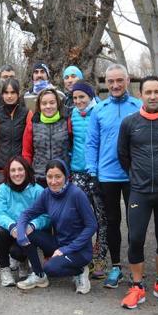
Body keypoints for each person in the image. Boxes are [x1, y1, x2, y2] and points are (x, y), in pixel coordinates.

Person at [117, 76, 158, 309]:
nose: (153, 96)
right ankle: (137, 286)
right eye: (148, 92)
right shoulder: (129, 123)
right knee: (135, 238)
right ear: (141, 95)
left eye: (157, 92)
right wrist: (139, 175)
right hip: (139, 191)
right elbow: (123, 155)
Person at [85, 63, 142, 288]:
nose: (116, 85)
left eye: (120, 80)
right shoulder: (98, 109)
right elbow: (91, 143)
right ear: (106, 84)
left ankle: (136, 267)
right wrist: (92, 171)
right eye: (111, 82)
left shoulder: (138, 107)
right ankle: (116, 267)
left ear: (127, 81)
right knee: (112, 223)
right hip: (107, 176)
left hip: (133, 176)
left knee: (135, 224)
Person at [16, 160, 98, 294]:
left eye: (58, 176)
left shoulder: (76, 194)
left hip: (79, 249)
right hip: (59, 243)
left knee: (50, 268)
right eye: (49, 177)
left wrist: (68, 249)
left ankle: (81, 271)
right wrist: (20, 233)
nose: (53, 181)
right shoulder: (47, 194)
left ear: (66, 176)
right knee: (28, 232)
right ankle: (38, 275)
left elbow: (92, 225)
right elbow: (27, 214)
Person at [68, 81, 107, 279]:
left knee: (101, 216)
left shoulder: (100, 111)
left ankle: (100, 258)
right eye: (75, 98)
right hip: (77, 171)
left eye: (82, 97)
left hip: (97, 171)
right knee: (78, 216)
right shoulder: (72, 114)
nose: (78, 101)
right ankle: (82, 255)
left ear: (90, 96)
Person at [0, 156, 49, 286]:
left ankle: (23, 261)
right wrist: (12, 226)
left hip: (29, 232)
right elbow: (0, 213)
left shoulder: (38, 190)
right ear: (8, 172)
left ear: (26, 171)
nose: (17, 173)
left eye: (20, 169)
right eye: (13, 170)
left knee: (16, 252)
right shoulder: (2, 189)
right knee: (1, 231)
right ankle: (5, 270)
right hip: (11, 231)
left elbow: (46, 216)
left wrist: (33, 225)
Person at [22, 88, 72, 187]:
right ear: (39, 106)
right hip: (39, 177)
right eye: (44, 103)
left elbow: (73, 146)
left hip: (62, 176)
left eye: (52, 103)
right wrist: (28, 173)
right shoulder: (32, 124)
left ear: (58, 104)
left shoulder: (67, 122)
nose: (48, 106)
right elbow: (27, 152)